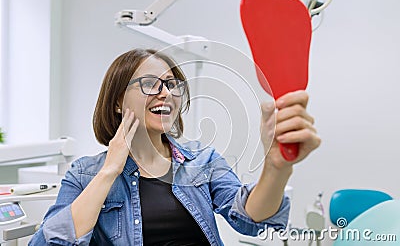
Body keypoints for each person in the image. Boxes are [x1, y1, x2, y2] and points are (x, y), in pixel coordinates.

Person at [29, 48, 320, 246]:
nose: (165, 93)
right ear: (117, 102)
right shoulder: (84, 173)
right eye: (149, 84)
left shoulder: (202, 161)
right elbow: (49, 241)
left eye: (171, 84)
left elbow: (250, 219)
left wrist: (276, 166)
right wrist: (110, 171)